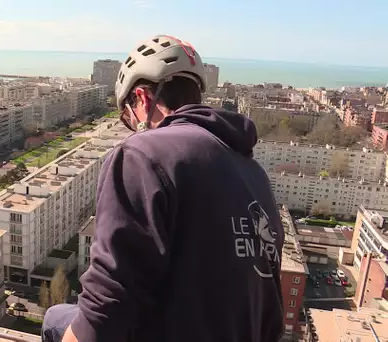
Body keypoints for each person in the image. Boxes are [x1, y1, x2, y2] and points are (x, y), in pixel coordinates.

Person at [42, 34, 285, 342]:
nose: (131, 129)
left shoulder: (142, 154)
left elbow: (110, 292)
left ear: (142, 98)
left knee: (55, 320)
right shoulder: (253, 172)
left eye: (128, 117)